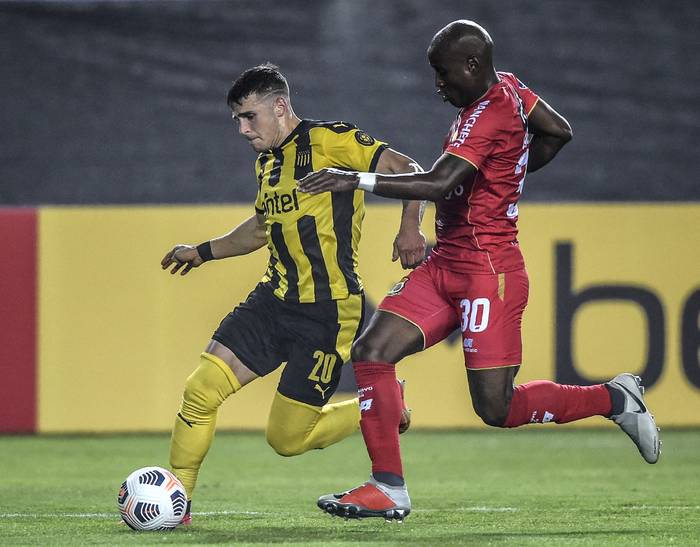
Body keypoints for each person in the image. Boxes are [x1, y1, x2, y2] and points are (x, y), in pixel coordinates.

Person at [298, 20, 661, 521]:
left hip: (489, 273)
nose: (438, 86)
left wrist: (352, 178)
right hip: (446, 262)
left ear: (471, 65)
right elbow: (558, 131)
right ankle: (388, 488)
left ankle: (613, 397)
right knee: (372, 351)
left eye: (444, 75)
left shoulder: (490, 112)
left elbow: (439, 181)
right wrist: (506, 172)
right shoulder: (509, 86)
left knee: (496, 408)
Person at [161, 63, 425, 524]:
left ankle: (386, 402)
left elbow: (408, 169)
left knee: (287, 440)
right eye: (238, 121)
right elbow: (264, 226)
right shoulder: (266, 163)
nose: (243, 129)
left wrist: (410, 228)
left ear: (280, 107)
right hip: (272, 300)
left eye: (249, 117)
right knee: (200, 390)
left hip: (327, 312)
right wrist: (204, 252)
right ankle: (177, 501)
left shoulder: (330, 141)